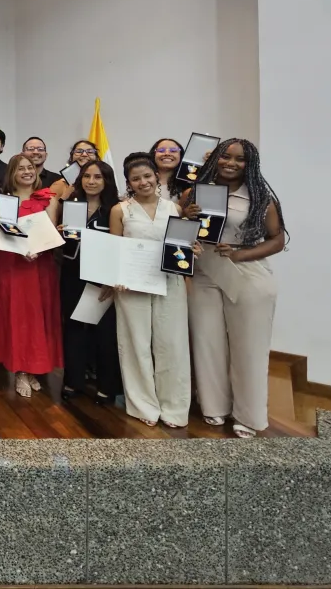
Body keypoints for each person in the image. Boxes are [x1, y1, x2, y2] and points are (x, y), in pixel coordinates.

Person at [184, 139, 286, 438]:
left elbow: (277, 240)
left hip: (246, 275)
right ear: (214, 158)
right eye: (225, 156)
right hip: (205, 275)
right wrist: (185, 218)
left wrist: (241, 253)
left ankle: (249, 416)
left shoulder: (260, 198)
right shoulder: (193, 193)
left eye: (239, 159)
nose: (231, 163)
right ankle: (214, 406)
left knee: (249, 349)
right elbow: (178, 235)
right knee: (207, 343)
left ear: (249, 164)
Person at [108, 153, 197, 428]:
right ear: (129, 183)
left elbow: (183, 247)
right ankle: (143, 405)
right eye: (136, 178)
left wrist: (192, 250)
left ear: (156, 177)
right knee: (135, 344)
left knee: (172, 344)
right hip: (132, 285)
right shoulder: (120, 210)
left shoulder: (174, 208)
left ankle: (174, 407)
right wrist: (116, 278)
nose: (143, 182)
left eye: (147, 176)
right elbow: (115, 250)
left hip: (169, 283)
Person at [0, 155, 62, 397]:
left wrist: (35, 248)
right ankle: (19, 370)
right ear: (12, 174)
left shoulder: (49, 199)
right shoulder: (3, 200)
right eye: (21, 169)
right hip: (11, 264)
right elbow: (0, 233)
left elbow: (50, 233)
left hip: (39, 265)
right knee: (16, 316)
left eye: (30, 168)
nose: (27, 172)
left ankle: (32, 368)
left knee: (38, 318)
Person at [59, 160, 122, 403]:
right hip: (72, 273)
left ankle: (107, 385)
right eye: (87, 176)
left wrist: (112, 278)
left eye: (98, 177)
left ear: (106, 180)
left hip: (102, 276)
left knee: (105, 331)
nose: (91, 181)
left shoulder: (115, 209)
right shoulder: (70, 205)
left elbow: (119, 245)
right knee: (73, 327)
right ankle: (73, 381)